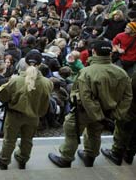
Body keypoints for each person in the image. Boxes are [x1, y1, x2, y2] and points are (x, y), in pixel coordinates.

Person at [48, 40, 132, 168]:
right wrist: (116, 114)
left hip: (84, 111)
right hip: (107, 111)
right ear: (110, 54)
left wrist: (97, 114)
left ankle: (66, 158)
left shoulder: (87, 72)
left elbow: (84, 97)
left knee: (72, 131)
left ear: (94, 52)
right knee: (95, 133)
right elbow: (127, 96)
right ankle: (90, 156)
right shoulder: (121, 73)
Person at [0, 51, 53, 170]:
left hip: (15, 115)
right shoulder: (47, 83)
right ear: (40, 64)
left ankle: (4, 159)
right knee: (28, 139)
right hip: (34, 116)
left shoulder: (16, 80)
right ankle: (22, 159)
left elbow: (1, 94)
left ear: (25, 63)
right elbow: (46, 101)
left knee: (9, 139)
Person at [101, 70, 136, 166]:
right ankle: (129, 154)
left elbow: (131, 89)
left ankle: (116, 153)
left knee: (123, 128)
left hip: (132, 107)